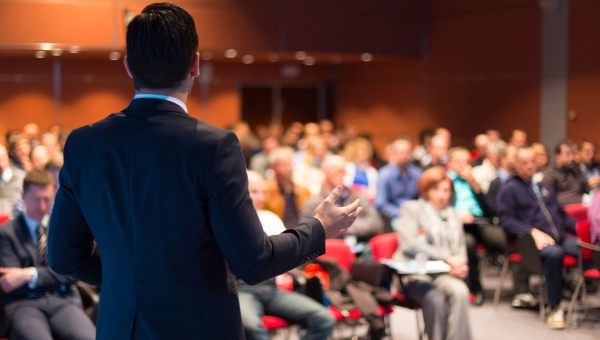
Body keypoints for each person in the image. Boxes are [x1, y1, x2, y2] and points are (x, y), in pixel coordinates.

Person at [46, 4, 361, 339]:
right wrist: (319, 228)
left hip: (119, 328)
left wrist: (131, 279)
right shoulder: (214, 146)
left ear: (128, 67)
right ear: (195, 64)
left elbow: (64, 257)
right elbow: (253, 261)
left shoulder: (84, 144)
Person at [0, 170, 96, 340]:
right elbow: (9, 281)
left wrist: (29, 274)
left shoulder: (62, 228)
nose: (43, 206)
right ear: (23, 196)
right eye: (37, 199)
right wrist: (52, 274)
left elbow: (71, 273)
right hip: (23, 304)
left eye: (47, 199)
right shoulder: (6, 232)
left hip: (62, 299)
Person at [239, 171, 335, 340]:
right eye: (254, 191)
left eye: (263, 192)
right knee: (251, 327)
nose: (260, 197)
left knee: (324, 319)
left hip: (271, 287)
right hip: (244, 289)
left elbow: (289, 253)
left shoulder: (270, 217)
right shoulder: (233, 222)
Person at [497, 146, 578, 329]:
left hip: (560, 236)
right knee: (554, 254)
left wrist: (580, 229)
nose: (530, 166)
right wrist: (531, 231)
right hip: (530, 243)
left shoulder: (544, 187)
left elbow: (562, 215)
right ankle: (554, 307)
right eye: (525, 162)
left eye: (533, 161)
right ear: (516, 164)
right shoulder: (509, 189)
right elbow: (505, 220)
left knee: (589, 250)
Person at [393, 167, 472, 340]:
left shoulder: (452, 213)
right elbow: (409, 244)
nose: (442, 195)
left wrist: (461, 265)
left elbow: (460, 247)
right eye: (436, 189)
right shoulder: (411, 208)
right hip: (415, 273)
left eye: (446, 190)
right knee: (434, 298)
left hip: (443, 273)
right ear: (425, 190)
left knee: (460, 292)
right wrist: (447, 257)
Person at [446, 147, 506, 304]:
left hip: (479, 222)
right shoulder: (446, 181)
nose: (462, 165)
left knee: (501, 238)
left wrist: (475, 185)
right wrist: (456, 215)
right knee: (468, 244)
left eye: (466, 162)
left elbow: (489, 210)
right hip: (456, 225)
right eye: (458, 162)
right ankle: (475, 289)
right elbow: (442, 208)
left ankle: (523, 289)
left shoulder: (473, 180)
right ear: (450, 164)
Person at [302, 155, 383, 243]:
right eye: (338, 171)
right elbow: (306, 233)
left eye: (344, 171)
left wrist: (346, 226)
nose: (343, 175)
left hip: (359, 249)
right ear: (325, 171)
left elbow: (376, 223)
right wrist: (351, 223)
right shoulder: (312, 203)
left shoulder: (357, 197)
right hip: (327, 252)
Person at [263, 147, 312, 229]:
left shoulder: (304, 190)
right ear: (274, 168)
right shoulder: (266, 190)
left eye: (291, 164)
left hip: (301, 231)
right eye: (285, 165)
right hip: (278, 233)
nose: (290, 168)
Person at [375, 138, 423, 220]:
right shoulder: (384, 174)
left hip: (415, 214)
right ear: (393, 154)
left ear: (411, 154)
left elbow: (423, 198)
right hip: (395, 216)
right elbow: (380, 204)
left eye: (406, 152)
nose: (403, 155)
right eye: (399, 152)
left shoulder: (418, 173)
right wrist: (401, 213)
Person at [542, 139, 589, 206]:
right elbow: (549, 200)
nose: (572, 158)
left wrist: (577, 166)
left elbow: (586, 190)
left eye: (573, 153)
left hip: (582, 209)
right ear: (558, 156)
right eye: (567, 154)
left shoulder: (575, 171)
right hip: (563, 212)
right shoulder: (549, 174)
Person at [0, 145, 25, 215]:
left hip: (13, 221)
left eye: (2, 158)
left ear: (6, 157)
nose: (0, 163)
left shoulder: (20, 177)